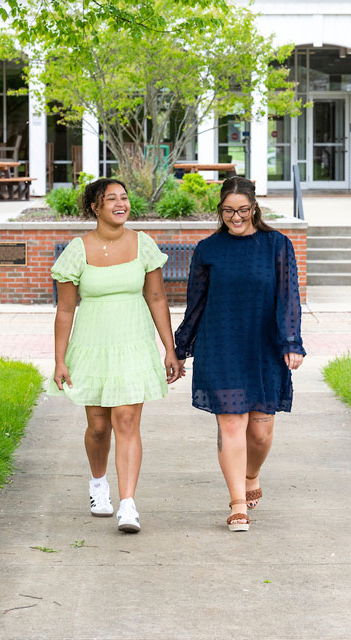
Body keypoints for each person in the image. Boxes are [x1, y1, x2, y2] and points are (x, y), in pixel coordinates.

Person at [50, 178, 182, 533]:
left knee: (126, 420)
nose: (121, 204)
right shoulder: (77, 250)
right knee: (98, 426)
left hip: (133, 343)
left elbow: (156, 298)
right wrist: (60, 359)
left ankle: (128, 504)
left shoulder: (144, 245)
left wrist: (170, 348)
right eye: (112, 199)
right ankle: (98, 485)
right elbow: (65, 310)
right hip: (92, 345)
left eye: (124, 198)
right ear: (95, 206)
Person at [174, 176, 305, 532]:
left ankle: (252, 474)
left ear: (254, 208)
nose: (236, 217)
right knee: (232, 424)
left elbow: (288, 297)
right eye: (229, 210)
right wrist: (181, 348)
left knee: (260, 434)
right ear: (220, 210)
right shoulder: (208, 249)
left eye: (243, 210)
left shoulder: (277, 245)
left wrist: (291, 341)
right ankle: (237, 505)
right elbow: (196, 304)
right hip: (221, 345)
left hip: (264, 346)